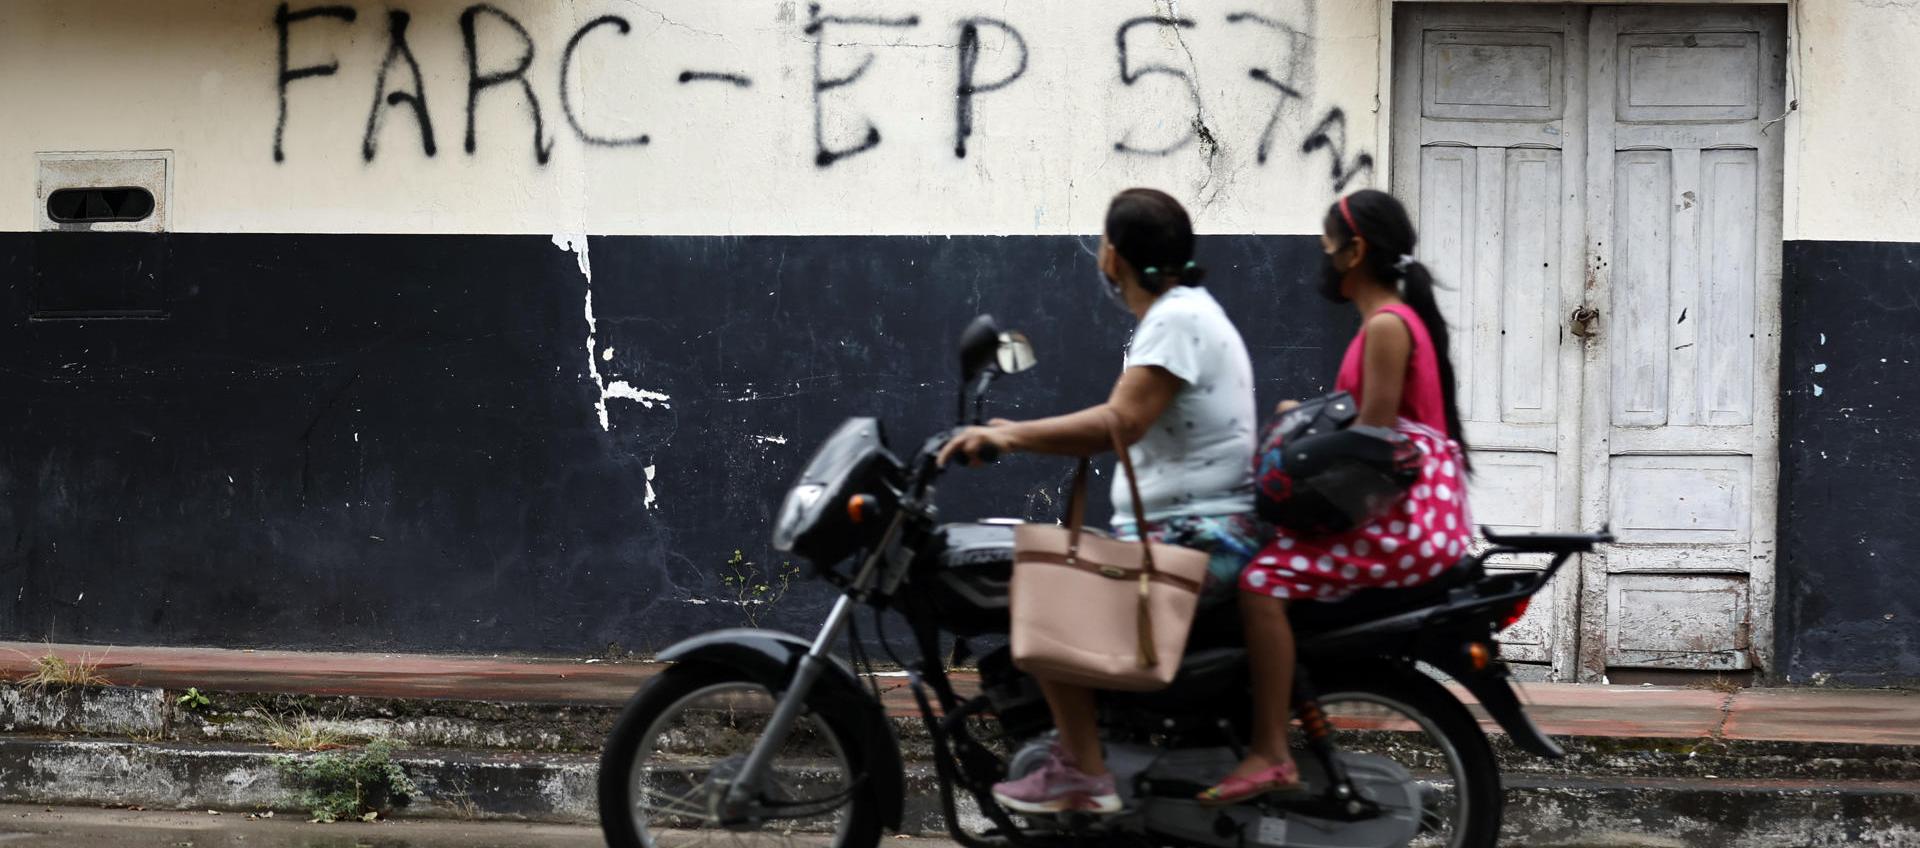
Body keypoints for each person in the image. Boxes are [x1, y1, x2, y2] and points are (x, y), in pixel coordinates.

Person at [938, 188, 1263, 814]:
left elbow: (1121, 422)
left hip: (1200, 539)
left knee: (1045, 593)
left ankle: (1083, 773)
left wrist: (1005, 435)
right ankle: (1085, 747)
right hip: (1205, 530)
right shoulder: (1186, 313)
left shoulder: (1174, 321)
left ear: (1111, 256)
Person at [1198, 189, 1476, 805]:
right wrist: (1308, 417)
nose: (1321, 256)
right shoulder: (1390, 322)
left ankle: (1270, 751)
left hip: (1401, 518)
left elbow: (1372, 447)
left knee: (1260, 584)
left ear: (1354, 252)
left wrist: (1302, 442)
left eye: (1328, 245)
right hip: (1404, 509)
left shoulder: (1384, 327)